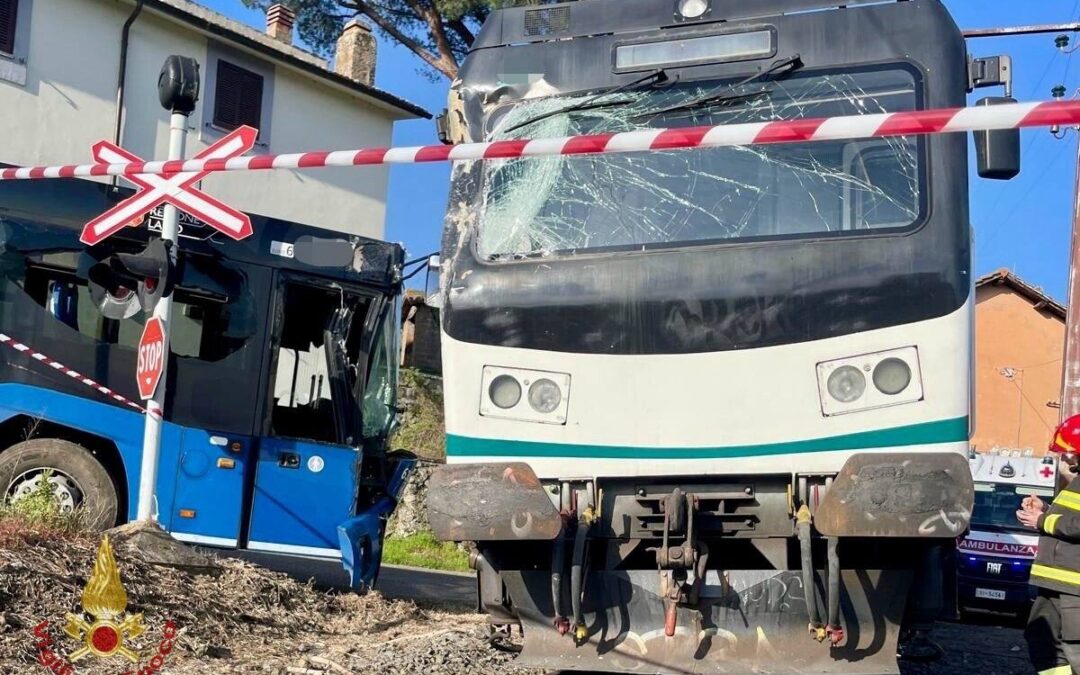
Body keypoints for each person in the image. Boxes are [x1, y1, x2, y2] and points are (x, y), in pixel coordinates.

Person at [1017, 414, 1080, 675]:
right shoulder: (1076, 481)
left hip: (1074, 585)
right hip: (1055, 581)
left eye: (1069, 452)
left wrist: (1042, 519)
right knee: (1041, 639)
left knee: (1075, 648)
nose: (1064, 458)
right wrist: (1045, 507)